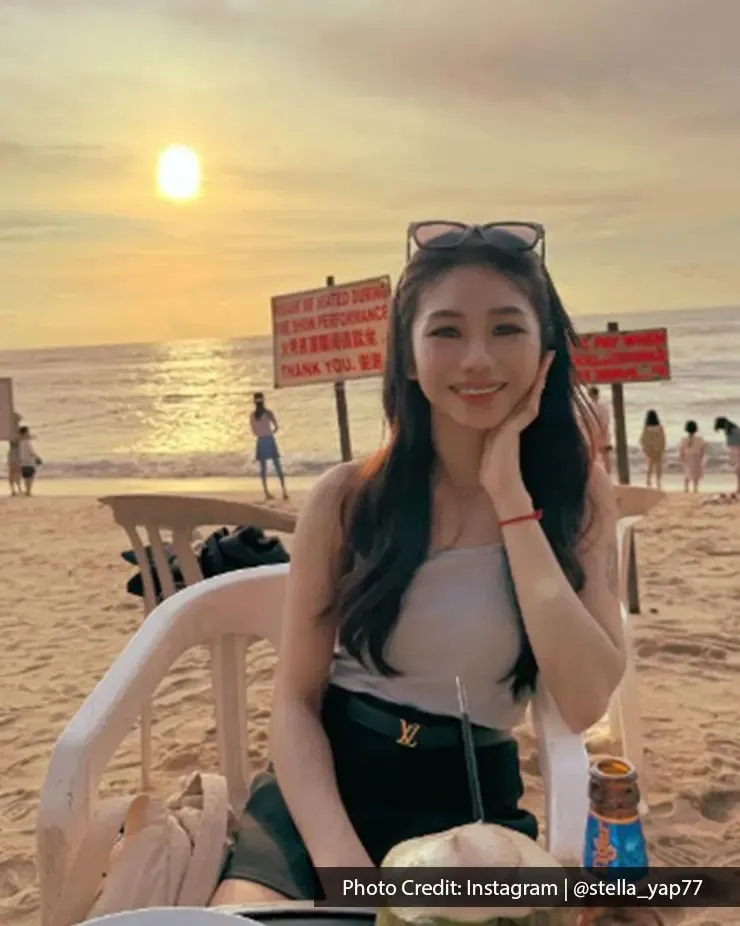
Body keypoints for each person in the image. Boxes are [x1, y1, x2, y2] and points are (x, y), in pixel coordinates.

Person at [209, 221, 626, 906]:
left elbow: (582, 703)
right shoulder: (348, 499)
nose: (477, 360)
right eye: (446, 331)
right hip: (326, 792)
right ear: (406, 357)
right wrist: (344, 867)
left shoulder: (573, 500)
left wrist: (512, 503)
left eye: (505, 329)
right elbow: (294, 703)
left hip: (468, 800)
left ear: (545, 350)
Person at [250, 392, 288, 501]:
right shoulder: (268, 413)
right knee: (277, 465)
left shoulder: (252, 416)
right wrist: (270, 432)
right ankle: (284, 490)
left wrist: (261, 432)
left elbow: (254, 432)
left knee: (263, 468)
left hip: (261, 441)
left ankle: (266, 492)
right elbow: (276, 427)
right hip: (269, 439)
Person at [588, 385, 613, 476]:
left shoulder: (589, 407)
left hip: (593, 435)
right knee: (605, 457)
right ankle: (607, 475)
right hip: (602, 435)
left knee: (594, 457)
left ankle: (599, 475)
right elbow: (606, 421)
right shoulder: (603, 407)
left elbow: (587, 422)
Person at [639, 409, 666, 489]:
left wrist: (645, 448)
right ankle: (658, 480)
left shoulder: (646, 427)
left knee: (650, 465)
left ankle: (648, 480)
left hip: (649, 449)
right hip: (658, 449)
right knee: (658, 466)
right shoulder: (660, 427)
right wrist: (662, 448)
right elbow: (663, 438)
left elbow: (643, 438)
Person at [714, 416, 740, 495]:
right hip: (736, 453)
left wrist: (735, 458)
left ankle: (738, 489)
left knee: (738, 471)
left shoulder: (732, 432)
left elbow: (736, 447)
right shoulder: (733, 429)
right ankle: (738, 489)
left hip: (737, 453)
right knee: (738, 471)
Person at [678, 420, 705, 493]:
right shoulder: (700, 439)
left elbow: (681, 449)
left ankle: (686, 488)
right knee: (696, 473)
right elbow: (702, 450)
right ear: (696, 429)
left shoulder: (683, 439)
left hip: (687, 457)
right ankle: (695, 488)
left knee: (687, 472)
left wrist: (681, 457)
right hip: (696, 456)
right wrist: (701, 457)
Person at [17, 425, 42, 497]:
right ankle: (29, 491)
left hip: (23, 463)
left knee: (26, 478)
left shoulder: (21, 442)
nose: (29, 433)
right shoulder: (28, 442)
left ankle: (27, 491)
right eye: (28, 431)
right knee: (30, 477)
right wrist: (38, 458)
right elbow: (32, 453)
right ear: (25, 433)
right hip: (29, 462)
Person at [7, 411, 22, 496]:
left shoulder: (13, 429)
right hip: (14, 451)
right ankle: (15, 489)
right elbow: (15, 440)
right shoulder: (13, 429)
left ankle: (16, 489)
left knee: (15, 471)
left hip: (15, 451)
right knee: (14, 471)